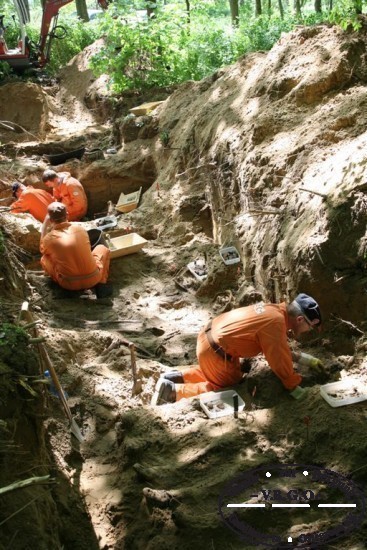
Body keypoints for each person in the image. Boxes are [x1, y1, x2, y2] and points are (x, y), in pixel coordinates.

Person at [152, 294, 323, 405]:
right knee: (226, 389)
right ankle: (173, 392)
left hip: (209, 338)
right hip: (216, 351)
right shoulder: (276, 324)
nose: (309, 331)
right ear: (300, 319)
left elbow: (278, 348)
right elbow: (278, 359)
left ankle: (176, 377)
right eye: (310, 327)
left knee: (224, 373)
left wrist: (306, 360)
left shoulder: (274, 310)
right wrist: (294, 387)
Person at [40, 203, 112, 298]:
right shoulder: (80, 229)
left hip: (68, 284)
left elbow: (42, 249)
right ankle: (102, 285)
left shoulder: (48, 239)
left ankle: (57, 285)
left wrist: (45, 225)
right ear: (68, 215)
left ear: (50, 220)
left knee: (44, 258)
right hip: (94, 278)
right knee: (102, 248)